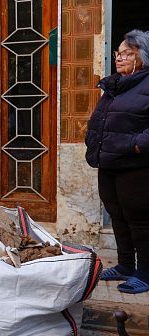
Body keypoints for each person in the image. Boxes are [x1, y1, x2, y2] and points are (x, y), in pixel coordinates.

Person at [85, 29, 149, 294]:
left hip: (136, 166)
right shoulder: (115, 85)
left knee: (140, 220)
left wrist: (135, 145)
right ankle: (125, 266)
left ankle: (144, 273)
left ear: (142, 57)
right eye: (118, 53)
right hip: (109, 162)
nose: (120, 58)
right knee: (118, 217)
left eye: (127, 54)